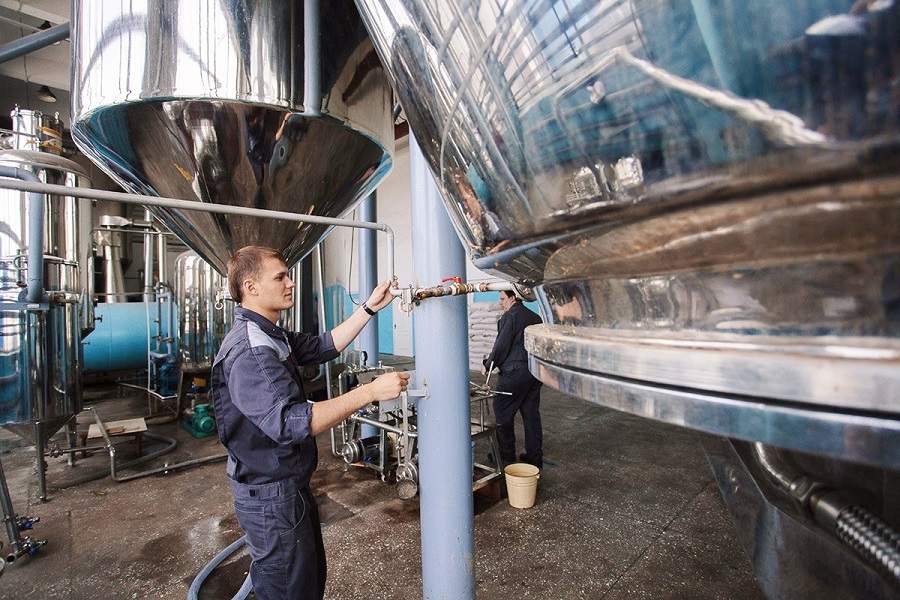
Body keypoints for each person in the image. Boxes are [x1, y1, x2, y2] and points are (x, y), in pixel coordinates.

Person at [211, 245, 408, 600]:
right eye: (280, 277)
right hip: (271, 497)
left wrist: (369, 307)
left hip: (287, 487)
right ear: (251, 287)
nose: (290, 283)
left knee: (306, 584)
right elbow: (290, 423)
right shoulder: (250, 350)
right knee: (290, 591)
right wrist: (369, 392)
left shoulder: (269, 332)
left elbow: (322, 346)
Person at [484, 290, 544, 468]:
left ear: (513, 298)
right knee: (531, 415)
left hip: (514, 374)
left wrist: (488, 364)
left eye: (503, 299)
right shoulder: (535, 317)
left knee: (502, 410)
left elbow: (501, 345)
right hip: (534, 372)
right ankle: (534, 457)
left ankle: (506, 456)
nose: (500, 302)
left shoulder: (510, 316)